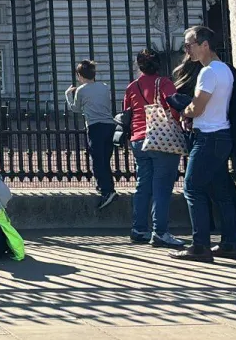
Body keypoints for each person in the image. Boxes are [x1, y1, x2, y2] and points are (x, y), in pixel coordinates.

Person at [171, 26, 236, 262]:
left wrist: (185, 110)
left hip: (208, 136)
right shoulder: (225, 70)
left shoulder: (208, 72)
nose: (187, 50)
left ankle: (200, 245)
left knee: (192, 188)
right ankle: (230, 243)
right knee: (221, 192)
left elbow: (198, 107)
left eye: (189, 44)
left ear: (205, 45)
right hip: (222, 135)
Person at [124, 49, 185, 248]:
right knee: (162, 187)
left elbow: (127, 112)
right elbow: (173, 104)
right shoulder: (164, 83)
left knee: (143, 185)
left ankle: (139, 229)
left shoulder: (132, 86)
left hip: (138, 138)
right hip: (161, 138)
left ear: (139, 65)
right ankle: (160, 232)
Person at [66, 60, 116, 210]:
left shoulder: (81, 90)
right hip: (110, 125)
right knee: (105, 158)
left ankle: (106, 190)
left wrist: (68, 95)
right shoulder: (104, 87)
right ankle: (109, 187)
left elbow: (75, 109)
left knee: (97, 160)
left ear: (80, 75)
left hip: (95, 126)